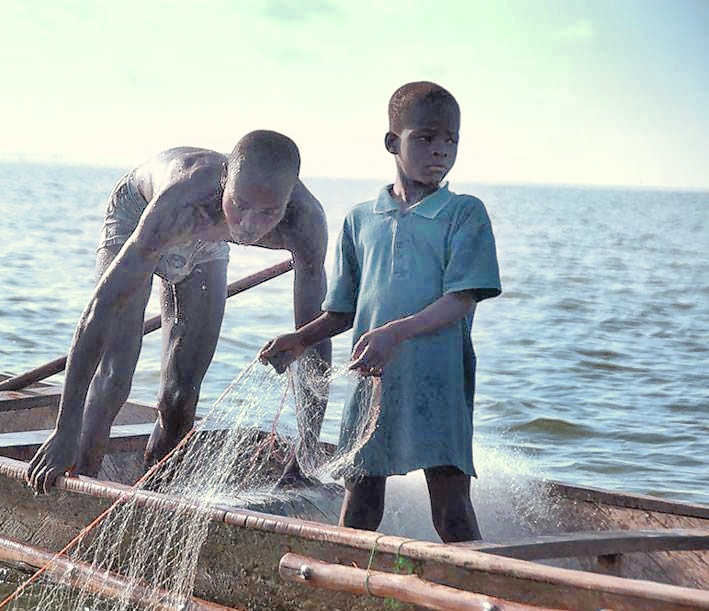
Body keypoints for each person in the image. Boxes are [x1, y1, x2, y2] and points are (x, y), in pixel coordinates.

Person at [259, 82, 501, 542]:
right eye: (426, 138)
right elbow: (343, 311)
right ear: (393, 143)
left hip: (438, 381)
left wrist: (395, 333)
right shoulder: (360, 220)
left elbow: (461, 300)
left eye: (451, 140)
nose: (441, 151)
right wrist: (299, 339)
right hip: (372, 382)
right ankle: (348, 593)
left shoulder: (464, 214)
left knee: (451, 506)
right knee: (362, 501)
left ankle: (474, 590)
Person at [26, 130, 330, 493]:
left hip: (208, 241)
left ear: (288, 201)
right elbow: (101, 308)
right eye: (241, 205)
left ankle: (155, 492)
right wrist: (64, 428)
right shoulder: (183, 199)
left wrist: (308, 447)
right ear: (224, 184)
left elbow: (313, 339)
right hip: (139, 214)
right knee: (114, 377)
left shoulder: (306, 222)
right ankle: (82, 480)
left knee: (181, 394)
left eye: (269, 213)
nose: (249, 225)